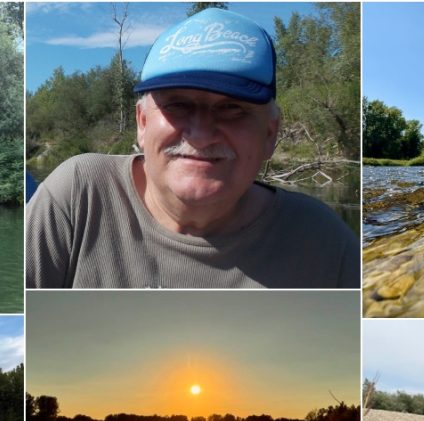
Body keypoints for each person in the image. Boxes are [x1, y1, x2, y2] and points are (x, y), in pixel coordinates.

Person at [26, 8, 360, 288]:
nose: (201, 135)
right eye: (178, 105)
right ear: (142, 123)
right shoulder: (78, 195)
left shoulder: (323, 243)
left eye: (233, 109)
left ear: (270, 134)